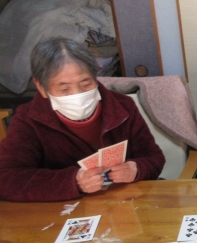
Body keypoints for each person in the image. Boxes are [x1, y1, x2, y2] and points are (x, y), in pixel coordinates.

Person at [0, 37, 165, 202]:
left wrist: (136, 169)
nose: (77, 94)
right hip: (64, 209)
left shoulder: (123, 107)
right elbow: (6, 178)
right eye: (64, 89)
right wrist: (73, 182)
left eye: (86, 84)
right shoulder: (28, 119)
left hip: (124, 202)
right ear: (41, 87)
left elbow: (154, 158)